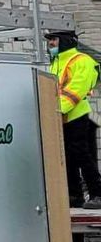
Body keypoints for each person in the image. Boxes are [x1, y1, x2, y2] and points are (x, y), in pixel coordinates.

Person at [49, 32, 101, 206]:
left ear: (65, 41)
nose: (51, 43)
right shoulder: (56, 62)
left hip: (76, 114)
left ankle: (97, 193)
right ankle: (75, 195)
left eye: (54, 39)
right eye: (50, 40)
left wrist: (57, 109)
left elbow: (76, 89)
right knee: (68, 156)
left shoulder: (81, 60)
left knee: (80, 154)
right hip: (61, 115)